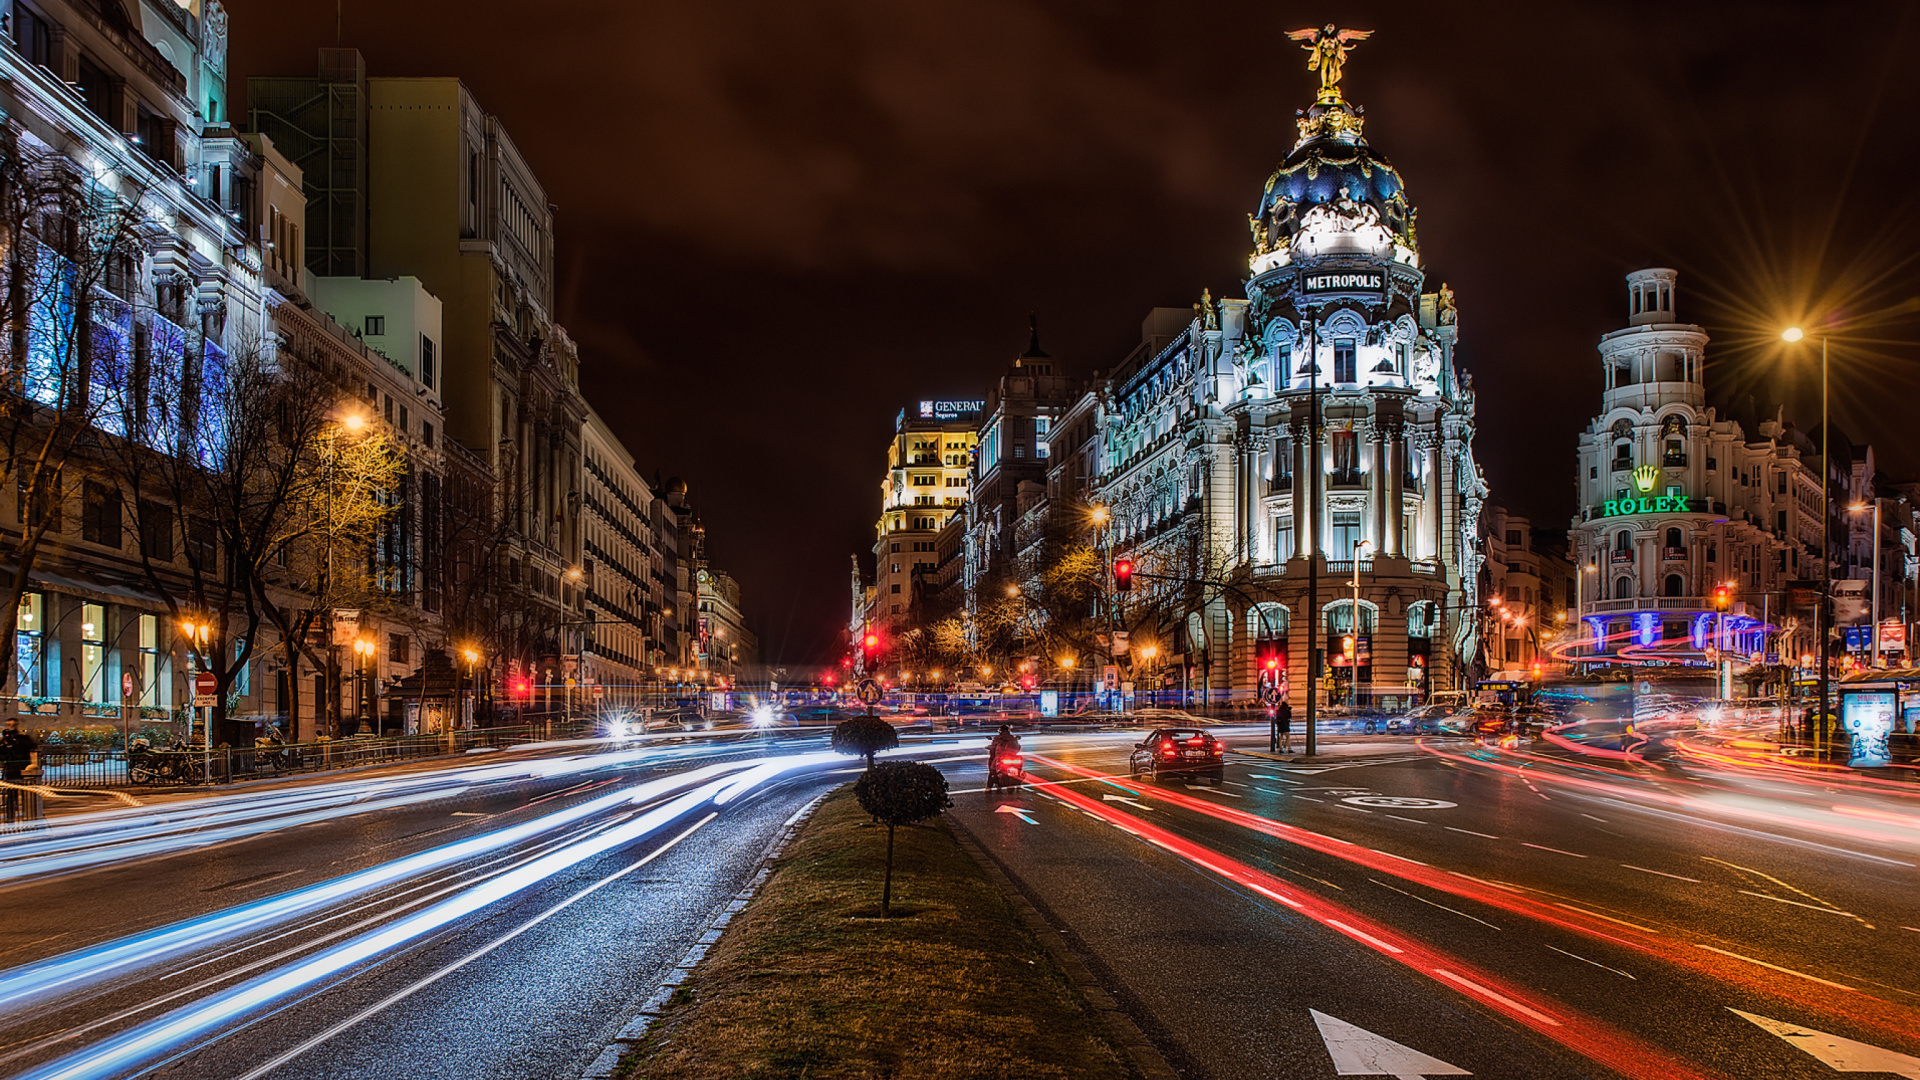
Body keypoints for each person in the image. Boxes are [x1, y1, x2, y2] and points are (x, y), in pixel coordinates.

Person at [1, 719, 40, 824]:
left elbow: (32, 747)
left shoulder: (23, 739)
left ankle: (27, 818)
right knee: (11, 796)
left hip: (23, 770)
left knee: (26, 795)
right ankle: (10, 818)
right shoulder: (5, 741)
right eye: (8, 725)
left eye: (12, 725)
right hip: (10, 770)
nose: (10, 727)